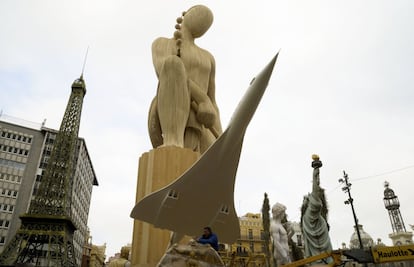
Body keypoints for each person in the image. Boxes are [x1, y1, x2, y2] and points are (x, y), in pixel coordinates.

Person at [148, 5, 223, 154]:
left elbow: (212, 100)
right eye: (199, 13)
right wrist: (202, 99)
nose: (203, 21)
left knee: (212, 159)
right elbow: (168, 73)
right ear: (185, 15)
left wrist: (222, 139)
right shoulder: (162, 44)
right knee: (172, 64)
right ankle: (173, 141)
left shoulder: (208, 58)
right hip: (169, 110)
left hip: (201, 120)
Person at [301, 155, 333, 264]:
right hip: (324, 257)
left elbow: (315, 190)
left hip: (316, 259)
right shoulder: (311, 212)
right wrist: (315, 173)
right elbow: (315, 189)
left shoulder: (307, 216)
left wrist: (316, 174)